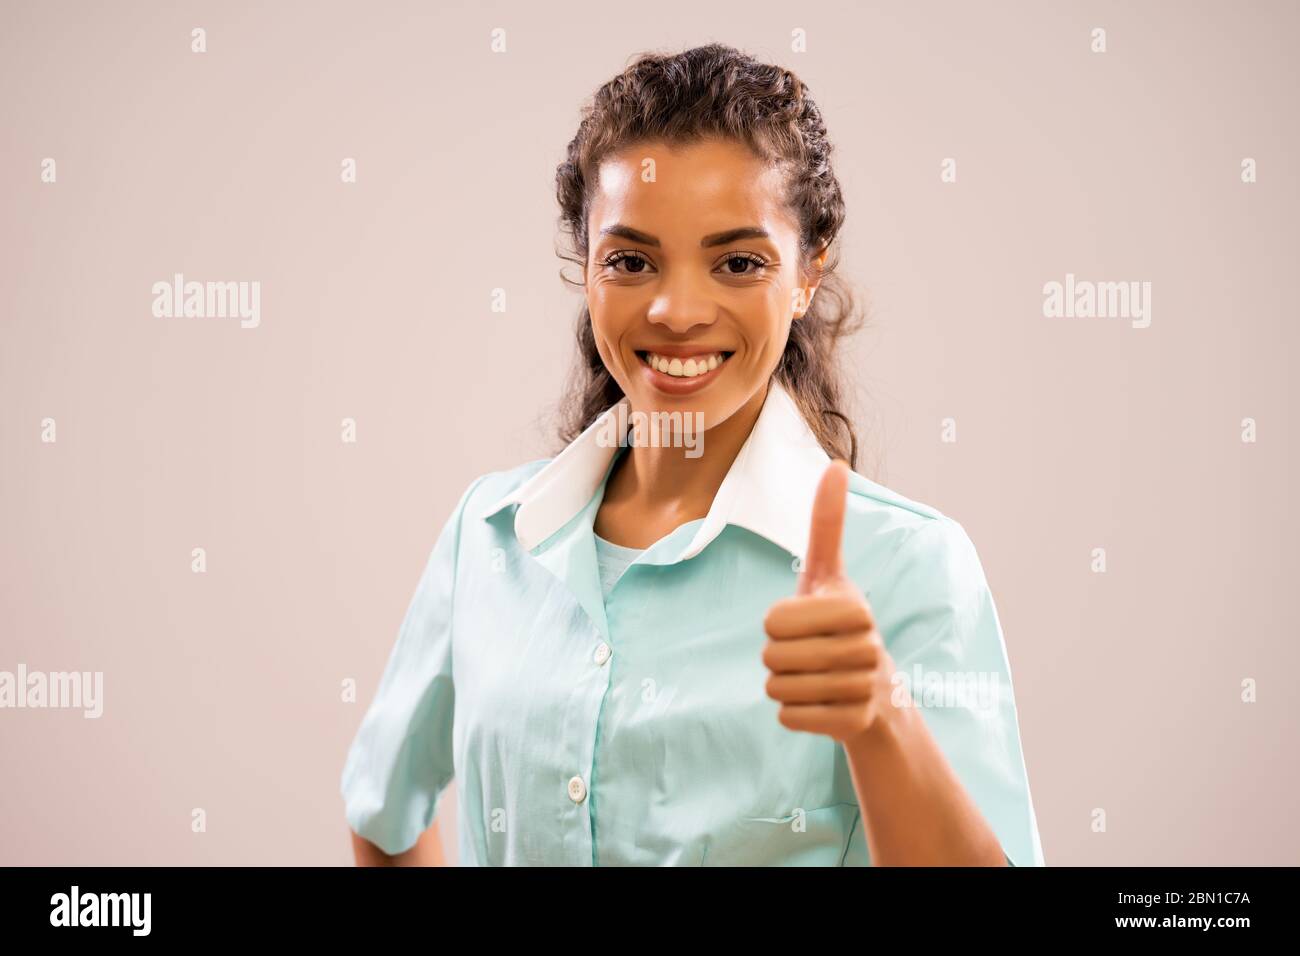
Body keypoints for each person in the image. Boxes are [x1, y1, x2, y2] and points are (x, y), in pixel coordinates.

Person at [340, 43, 1044, 866]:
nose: (677, 311)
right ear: (586, 268)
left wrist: (880, 720)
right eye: (631, 261)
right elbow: (382, 812)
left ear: (809, 273)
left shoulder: (908, 568)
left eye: (738, 262)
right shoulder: (487, 538)